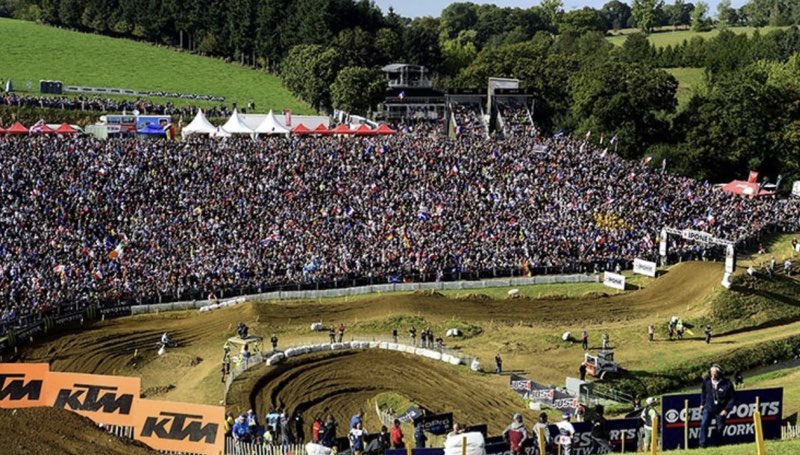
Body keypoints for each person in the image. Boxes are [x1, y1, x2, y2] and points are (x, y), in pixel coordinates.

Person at [699, 364, 735, 448]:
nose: (713, 375)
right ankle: (702, 445)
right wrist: (702, 404)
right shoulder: (706, 381)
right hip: (708, 407)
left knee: (720, 428)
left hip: (721, 409)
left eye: (715, 373)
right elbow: (703, 393)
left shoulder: (727, 383)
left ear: (719, 373)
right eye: (712, 373)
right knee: (704, 424)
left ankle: (717, 445)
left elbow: (732, 398)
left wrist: (726, 410)